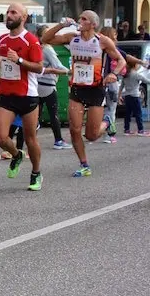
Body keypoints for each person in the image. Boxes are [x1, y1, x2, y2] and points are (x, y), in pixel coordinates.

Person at [41, 11, 125, 177]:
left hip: (95, 89)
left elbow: (121, 60)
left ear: (93, 24)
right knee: (74, 129)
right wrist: (62, 24)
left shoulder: (102, 41)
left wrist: (113, 73)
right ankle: (84, 164)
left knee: (92, 135)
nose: (80, 20)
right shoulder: (73, 37)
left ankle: (107, 122)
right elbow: (45, 39)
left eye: (84, 19)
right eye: (80, 18)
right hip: (78, 88)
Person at [0, 3, 45, 191]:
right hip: (7, 93)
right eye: (7, 12)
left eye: (13, 12)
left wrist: (20, 60)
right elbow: (3, 62)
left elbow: (39, 67)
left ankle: (36, 173)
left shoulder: (30, 40)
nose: (8, 15)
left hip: (27, 95)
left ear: (24, 17)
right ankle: (16, 154)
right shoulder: (2, 39)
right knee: (0, 137)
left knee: (30, 139)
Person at [35, 25, 72, 149]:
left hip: (36, 85)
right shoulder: (48, 49)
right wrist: (70, 71)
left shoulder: (35, 48)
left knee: (35, 116)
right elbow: (57, 65)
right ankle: (58, 140)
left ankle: (31, 141)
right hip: (49, 86)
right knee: (53, 114)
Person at [120, 61, 150, 136]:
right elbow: (146, 81)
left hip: (127, 96)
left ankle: (126, 129)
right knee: (138, 113)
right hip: (135, 96)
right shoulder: (136, 74)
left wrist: (119, 96)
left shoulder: (125, 75)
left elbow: (121, 86)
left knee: (128, 113)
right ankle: (140, 130)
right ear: (135, 65)